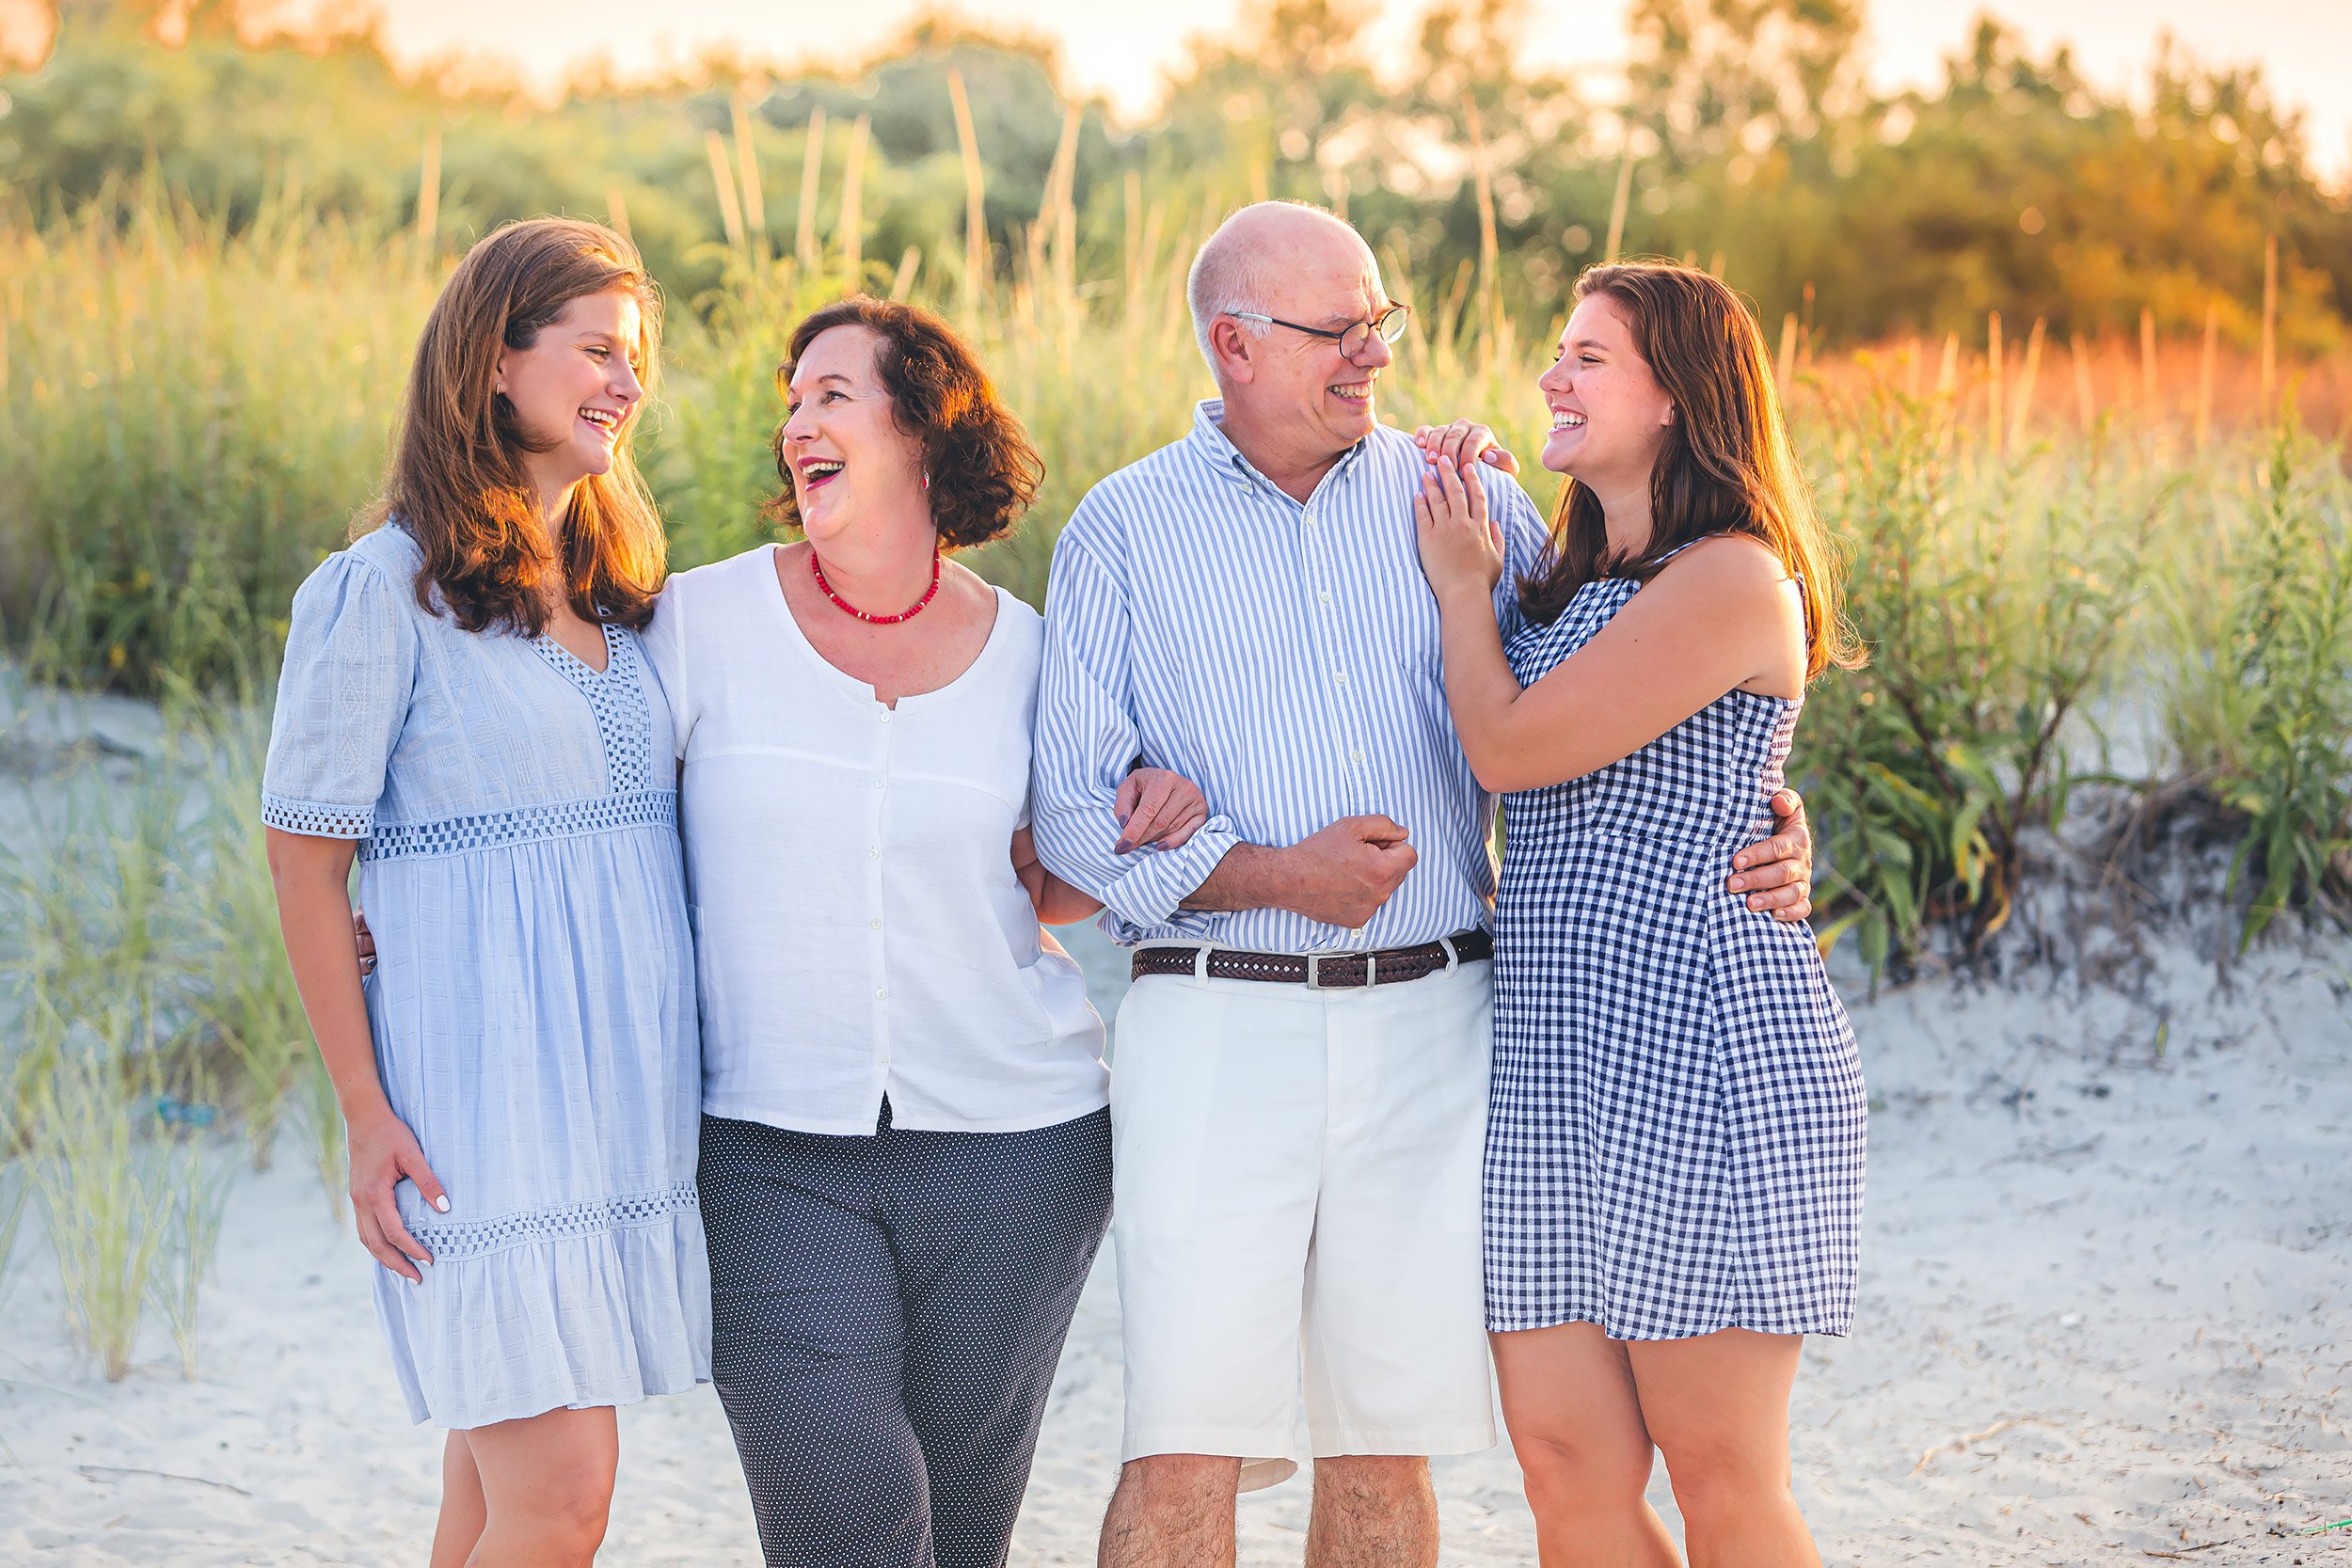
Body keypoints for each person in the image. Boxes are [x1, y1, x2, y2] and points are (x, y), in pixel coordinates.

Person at [1026, 201, 1820, 1568]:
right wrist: (1269, 872)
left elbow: (1630, 708)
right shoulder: (1123, 531)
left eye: (1380, 324)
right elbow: (1070, 825)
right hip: (1218, 1028)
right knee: (1181, 1450)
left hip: (1442, 1036)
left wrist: (1770, 821)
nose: (1374, 358)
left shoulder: (1470, 503)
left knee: (1384, 1454)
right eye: (1339, 332)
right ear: (1236, 345)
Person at [638, 295, 1207, 1568]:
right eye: (792, 400)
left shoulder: (1036, 658)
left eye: (832, 394)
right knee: (849, 1513)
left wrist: (1149, 810)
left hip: (1018, 1152)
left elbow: (1058, 870)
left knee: (957, 1539)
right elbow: (574, 800)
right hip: (770, 1149)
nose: (798, 424)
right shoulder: (700, 624)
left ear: (924, 426)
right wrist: (401, 906)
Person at [262, 217, 705, 1568]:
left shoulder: (626, 596)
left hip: (618, 1096)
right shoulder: (381, 592)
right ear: (495, 364)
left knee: (491, 1499)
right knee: (562, 1496)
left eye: (635, 359)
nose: (625, 384)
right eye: (596, 352)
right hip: (484, 1102)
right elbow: (303, 856)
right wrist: (362, 1112)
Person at [1412, 260, 1868, 1567]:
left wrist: (1458, 589)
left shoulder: (1734, 579)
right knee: (1566, 1472)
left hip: (1703, 1056)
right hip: (1553, 1064)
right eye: (1557, 354)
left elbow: (1503, 747)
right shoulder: (1556, 577)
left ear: (1678, 395)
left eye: (1588, 358)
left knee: (1723, 1475)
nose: (1553, 375)